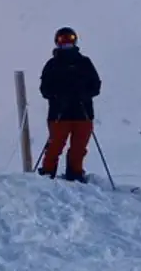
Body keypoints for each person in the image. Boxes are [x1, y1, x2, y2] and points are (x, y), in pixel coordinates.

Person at [37, 27, 102, 181]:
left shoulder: (84, 63)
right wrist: (58, 97)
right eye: (62, 41)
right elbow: (45, 89)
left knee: (79, 148)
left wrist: (84, 95)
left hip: (82, 112)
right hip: (60, 113)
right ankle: (47, 174)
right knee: (55, 146)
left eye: (69, 41)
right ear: (57, 43)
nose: (66, 45)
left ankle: (75, 173)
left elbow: (96, 85)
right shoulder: (52, 65)